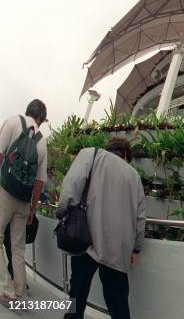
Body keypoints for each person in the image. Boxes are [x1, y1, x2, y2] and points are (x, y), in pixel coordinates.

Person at [57, 138, 146, 319]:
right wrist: (135, 247)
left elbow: (70, 187)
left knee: (77, 292)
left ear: (108, 148)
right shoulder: (134, 175)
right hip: (117, 249)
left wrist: (62, 213)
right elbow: (140, 217)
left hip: (86, 240)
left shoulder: (91, 154)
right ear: (126, 156)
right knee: (118, 301)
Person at [0, 99, 48, 305]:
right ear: (41, 119)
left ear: (27, 111)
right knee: (18, 247)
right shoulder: (42, 141)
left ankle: (5, 289)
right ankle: (20, 293)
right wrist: (32, 209)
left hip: (5, 192)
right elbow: (39, 182)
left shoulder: (12, 122)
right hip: (24, 200)